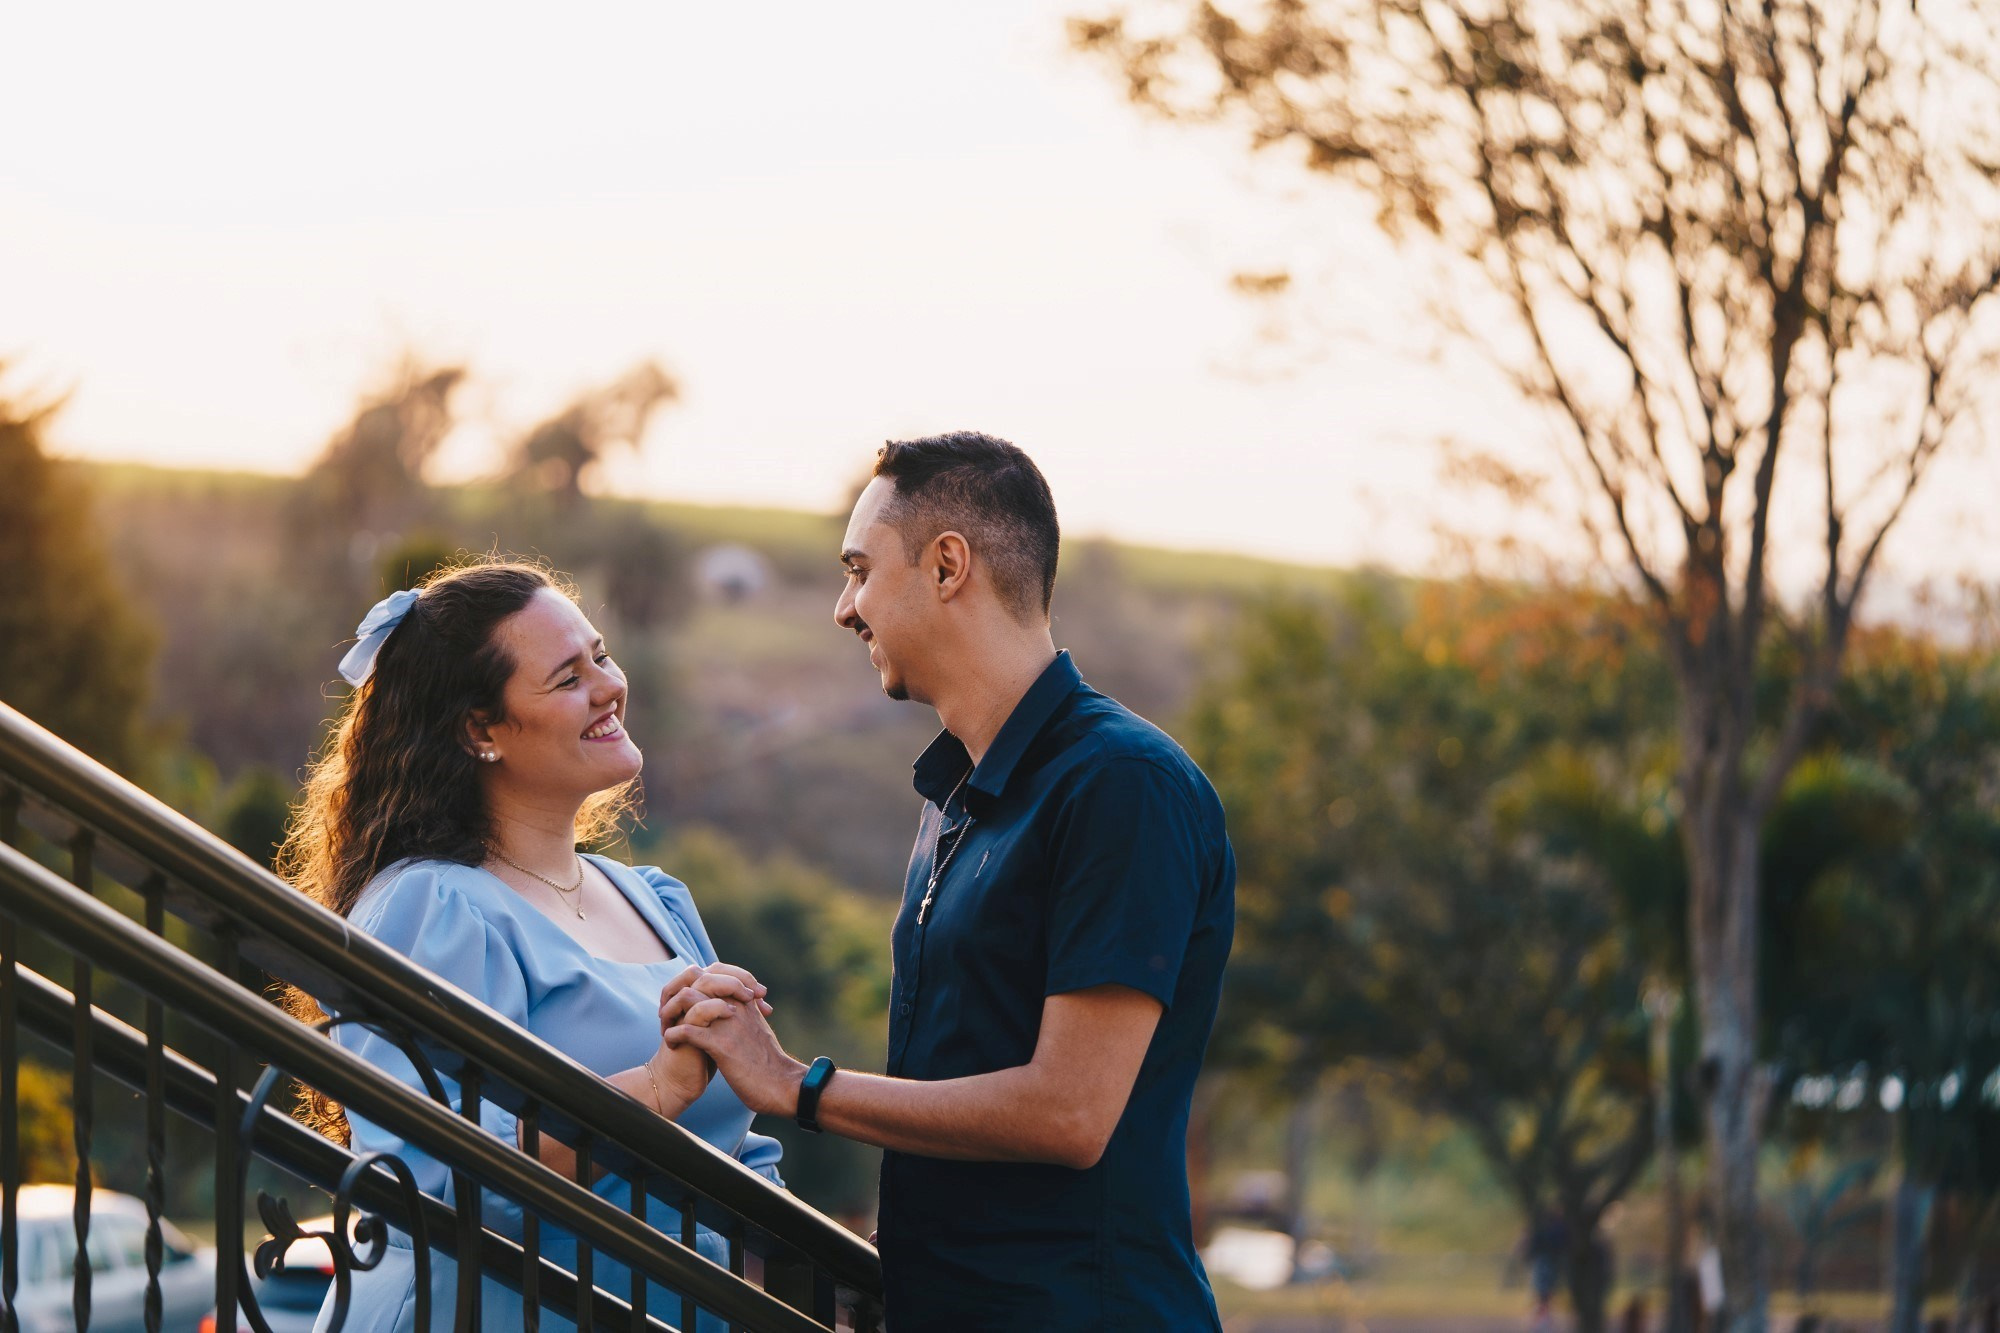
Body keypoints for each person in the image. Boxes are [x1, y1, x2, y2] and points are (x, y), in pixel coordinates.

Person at [659, 432, 1237, 1330]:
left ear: (947, 566)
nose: (844, 609)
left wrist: (796, 1085)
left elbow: (1071, 1110)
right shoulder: (952, 799)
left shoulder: (1123, 784)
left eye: (859, 569)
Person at [277, 559, 772, 1333]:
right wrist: (654, 1089)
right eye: (568, 676)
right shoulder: (434, 906)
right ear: (481, 729)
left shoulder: (659, 902)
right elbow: (448, 1180)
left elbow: (736, 1153)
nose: (609, 685)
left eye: (601, 656)